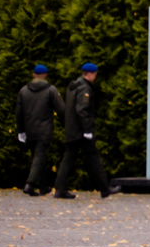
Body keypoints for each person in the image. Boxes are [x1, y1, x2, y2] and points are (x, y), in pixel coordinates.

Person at [54, 62, 118, 200]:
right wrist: (87, 130)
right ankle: (105, 189)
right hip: (81, 132)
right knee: (94, 158)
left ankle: (60, 189)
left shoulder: (73, 86)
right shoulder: (84, 88)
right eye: (94, 74)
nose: (95, 77)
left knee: (68, 159)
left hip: (72, 130)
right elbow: (82, 110)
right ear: (89, 74)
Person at [15, 64, 61, 196]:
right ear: (45, 75)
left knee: (37, 157)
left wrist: (21, 131)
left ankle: (42, 186)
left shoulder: (23, 91)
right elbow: (61, 109)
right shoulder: (51, 90)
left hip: (29, 130)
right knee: (39, 157)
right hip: (44, 130)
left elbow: (19, 113)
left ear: (33, 75)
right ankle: (29, 184)